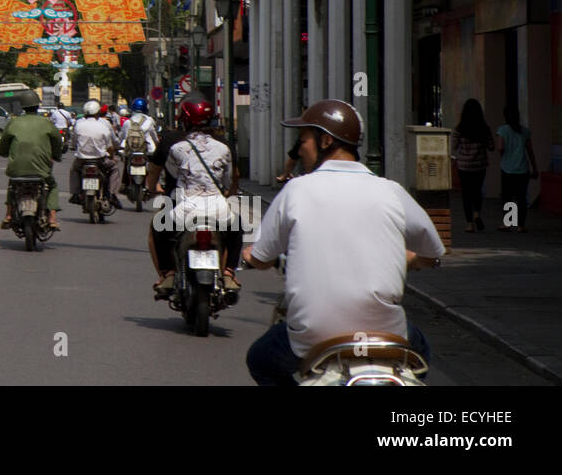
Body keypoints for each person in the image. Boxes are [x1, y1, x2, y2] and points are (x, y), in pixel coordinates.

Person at [242, 99, 445, 387]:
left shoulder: (296, 190)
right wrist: (409, 259)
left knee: (260, 361)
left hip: (311, 337)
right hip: (387, 335)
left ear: (325, 141)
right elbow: (434, 252)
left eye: (303, 141)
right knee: (421, 354)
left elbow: (261, 257)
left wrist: (250, 256)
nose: (299, 150)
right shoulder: (391, 191)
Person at [146, 93, 241, 294]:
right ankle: (229, 273)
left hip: (184, 208)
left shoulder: (176, 146)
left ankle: (169, 274)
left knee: (158, 228)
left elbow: (171, 173)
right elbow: (230, 180)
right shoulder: (223, 146)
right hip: (218, 208)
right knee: (237, 228)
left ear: (185, 119)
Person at [0, 89, 62, 231]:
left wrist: (4, 153)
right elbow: (57, 141)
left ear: (22, 106)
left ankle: (8, 215)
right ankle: (52, 217)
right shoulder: (47, 123)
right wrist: (57, 156)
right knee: (52, 186)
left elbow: (2, 148)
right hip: (41, 171)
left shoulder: (13, 123)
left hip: (17, 170)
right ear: (37, 106)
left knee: (12, 186)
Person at [451, 98, 493, 233]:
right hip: (480, 165)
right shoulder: (484, 129)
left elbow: (453, 146)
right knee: (477, 191)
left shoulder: (459, 129)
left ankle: (469, 224)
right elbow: (491, 146)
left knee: (466, 194)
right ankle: (477, 214)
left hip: (464, 165)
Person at [495, 105, 538, 233]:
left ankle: (509, 223)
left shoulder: (502, 130)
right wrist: (535, 167)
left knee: (508, 197)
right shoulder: (525, 131)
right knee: (521, 197)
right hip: (522, 169)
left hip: (507, 168)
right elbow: (530, 151)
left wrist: (504, 155)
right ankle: (521, 226)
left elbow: (500, 148)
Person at [68, 100, 120, 205]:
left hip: (82, 160)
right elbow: (110, 147)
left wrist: (74, 147)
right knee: (114, 168)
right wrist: (112, 157)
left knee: (74, 170)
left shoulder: (78, 125)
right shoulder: (104, 126)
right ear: (98, 113)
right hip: (100, 160)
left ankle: (75, 194)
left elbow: (73, 142)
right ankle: (112, 194)